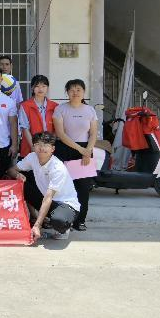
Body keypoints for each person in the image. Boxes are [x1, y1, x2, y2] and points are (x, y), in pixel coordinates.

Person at [8, 132, 81, 240]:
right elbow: (11, 170)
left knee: (59, 221)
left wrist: (37, 226)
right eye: (38, 144)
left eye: (46, 145)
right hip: (48, 201)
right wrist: (17, 175)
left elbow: (48, 198)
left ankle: (64, 228)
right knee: (21, 185)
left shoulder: (57, 167)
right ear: (33, 146)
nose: (42, 148)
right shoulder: (32, 157)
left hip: (67, 205)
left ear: (52, 149)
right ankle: (33, 218)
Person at [52, 79, 98, 232]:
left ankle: (80, 221)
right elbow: (60, 134)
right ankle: (65, 221)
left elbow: (93, 133)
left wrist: (87, 151)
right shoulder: (60, 109)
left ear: (84, 92)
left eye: (79, 89)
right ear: (67, 92)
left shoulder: (90, 110)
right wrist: (81, 149)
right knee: (65, 188)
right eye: (72, 90)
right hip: (65, 149)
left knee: (83, 188)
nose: (75, 92)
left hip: (85, 151)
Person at [18, 75, 58, 158]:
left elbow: (56, 129)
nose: (40, 89)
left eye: (43, 86)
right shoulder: (25, 106)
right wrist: (33, 147)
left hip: (49, 148)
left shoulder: (55, 106)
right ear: (32, 88)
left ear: (47, 88)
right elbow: (25, 128)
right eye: (37, 86)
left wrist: (50, 145)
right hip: (30, 148)